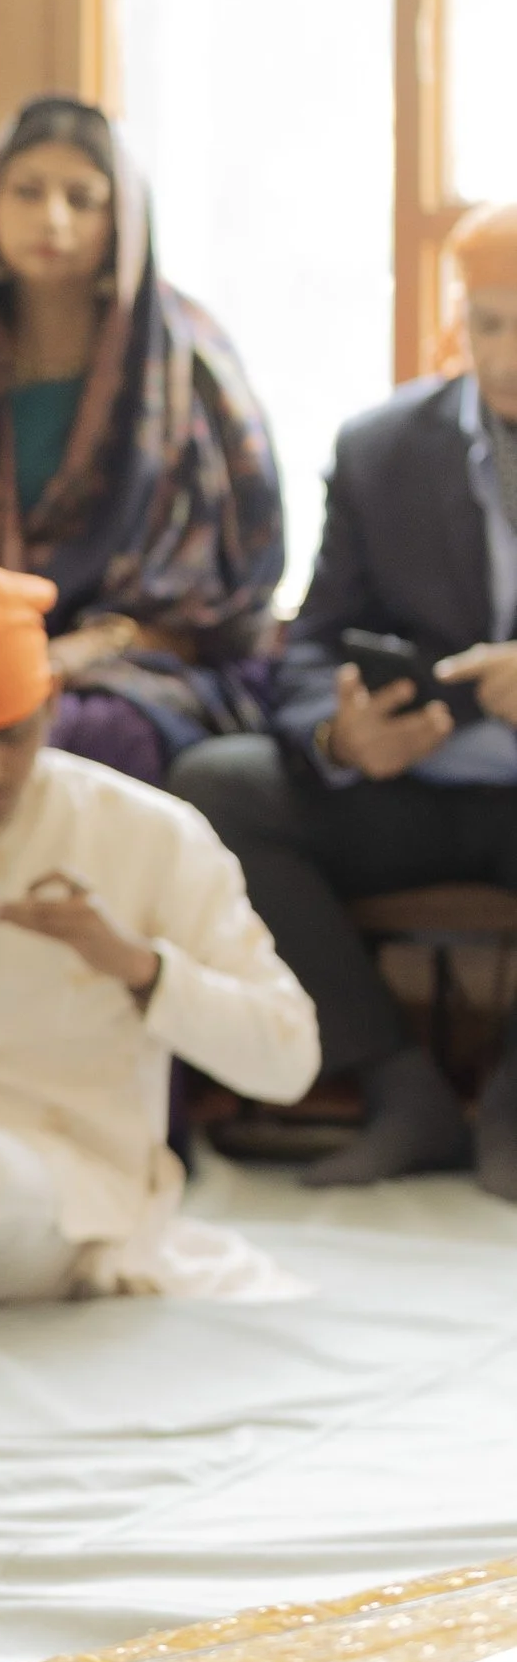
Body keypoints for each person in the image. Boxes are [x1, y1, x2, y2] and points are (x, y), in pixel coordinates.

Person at [171, 203, 517, 1198]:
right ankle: (393, 1085)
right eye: (487, 323)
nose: (503, 354)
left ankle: (511, 1103)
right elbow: (312, 645)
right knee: (218, 787)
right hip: (406, 782)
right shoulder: (382, 450)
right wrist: (339, 730)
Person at [0, 562, 317, 1301]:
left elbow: (290, 1059)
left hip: (55, 1184)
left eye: (10, 735)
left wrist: (139, 967)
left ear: (51, 701)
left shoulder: (153, 835)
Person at [0, 98, 284, 786]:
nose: (53, 219)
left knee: (87, 735)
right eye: (28, 192)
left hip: (134, 662)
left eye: (83, 198)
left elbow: (224, 598)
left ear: (123, 219)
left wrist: (77, 652)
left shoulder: (186, 364)